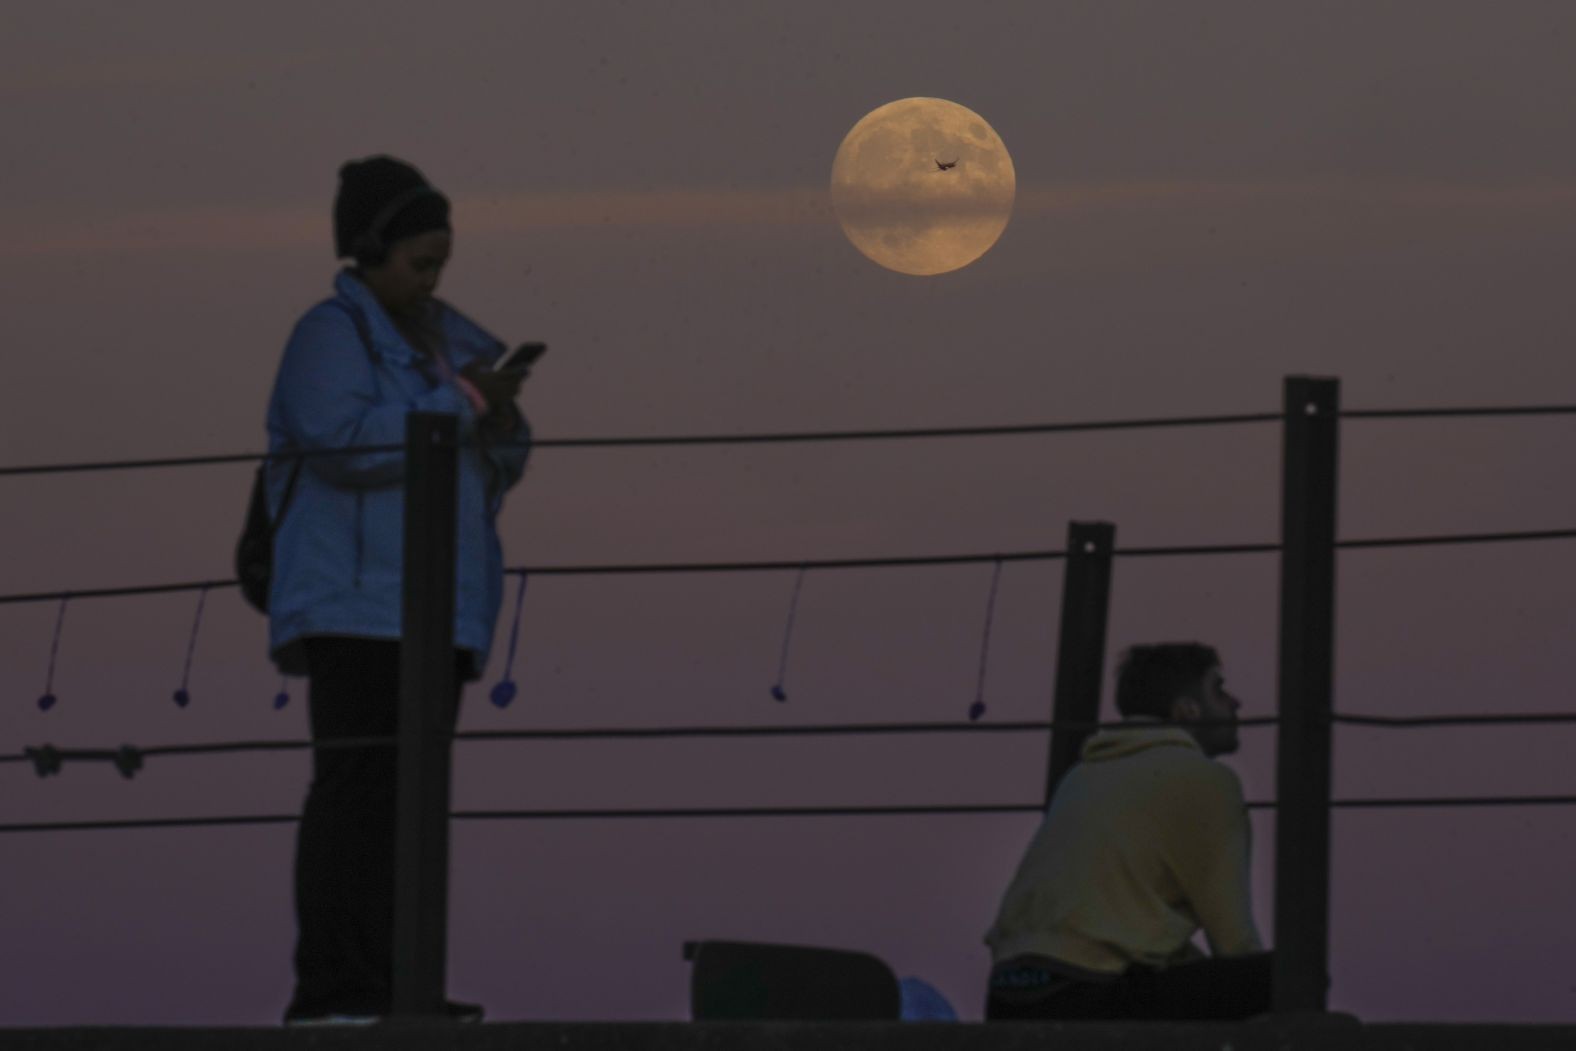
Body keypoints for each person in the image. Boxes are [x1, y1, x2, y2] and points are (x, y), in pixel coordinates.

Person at [265, 156, 533, 1026]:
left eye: (440, 263)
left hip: (435, 607)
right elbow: (346, 443)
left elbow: (497, 463)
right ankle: (336, 990)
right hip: (354, 609)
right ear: (370, 250)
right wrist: (460, 401)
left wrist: (497, 415)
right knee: (356, 801)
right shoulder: (326, 336)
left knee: (411, 809)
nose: (432, 279)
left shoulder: (449, 334)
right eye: (420, 262)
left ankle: (400, 985)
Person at [983, 642, 1272, 1021]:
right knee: (1285, 977)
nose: (1236, 703)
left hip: (1008, 996)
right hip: (1088, 992)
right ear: (1187, 709)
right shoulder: (1207, 782)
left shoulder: (1083, 773)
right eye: (1218, 689)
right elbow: (1234, 942)